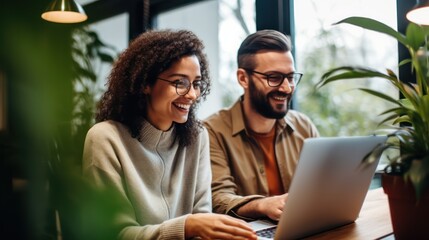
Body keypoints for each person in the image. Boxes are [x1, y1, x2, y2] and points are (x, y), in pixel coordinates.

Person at [82, 29, 257, 240]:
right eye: (179, 82)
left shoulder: (197, 137)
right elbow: (112, 234)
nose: (192, 94)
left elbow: (203, 217)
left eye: (196, 83)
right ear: (146, 83)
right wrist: (186, 227)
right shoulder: (106, 139)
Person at [203, 29, 320, 222]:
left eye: (290, 77)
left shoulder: (303, 126)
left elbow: (321, 185)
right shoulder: (211, 132)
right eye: (274, 77)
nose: (286, 88)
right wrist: (262, 205)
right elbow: (217, 199)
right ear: (243, 78)